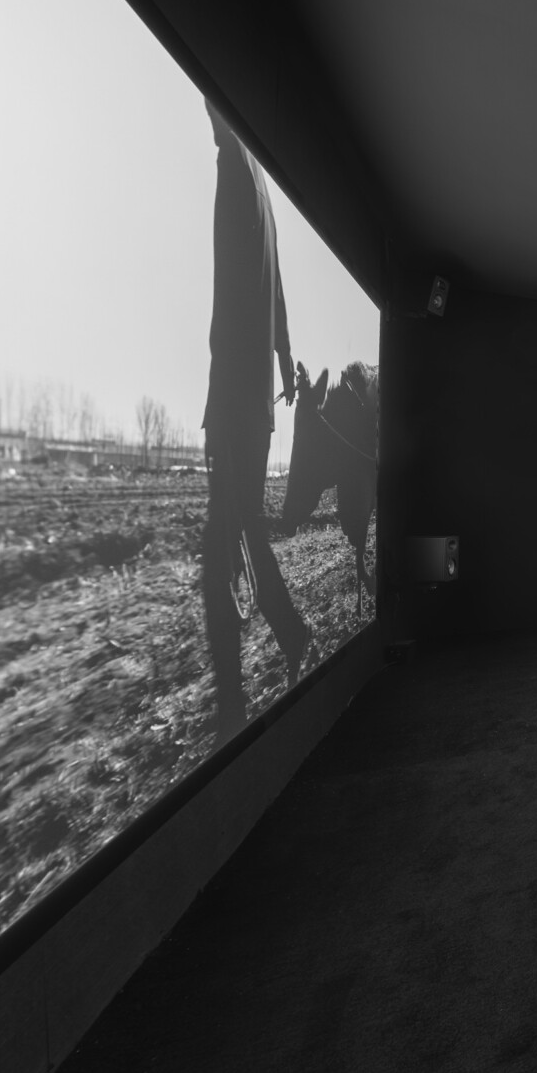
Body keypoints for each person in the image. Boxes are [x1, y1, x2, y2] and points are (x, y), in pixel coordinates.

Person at [199, 98, 310, 741]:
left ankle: (231, 714)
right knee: (243, 525)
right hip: (258, 396)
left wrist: (229, 386)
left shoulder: (235, 162)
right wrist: (286, 362)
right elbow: (280, 291)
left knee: (220, 545)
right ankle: (290, 632)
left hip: (236, 388)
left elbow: (243, 293)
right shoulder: (264, 189)